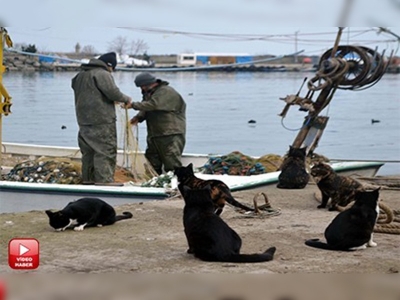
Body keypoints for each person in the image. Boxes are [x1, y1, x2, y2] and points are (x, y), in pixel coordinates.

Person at [72, 52, 132, 183]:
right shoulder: (102, 74)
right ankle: (104, 183)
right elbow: (112, 92)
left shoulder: (80, 75)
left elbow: (90, 92)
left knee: (88, 153)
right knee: (105, 152)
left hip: (84, 121)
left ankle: (88, 182)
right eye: (113, 69)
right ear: (109, 65)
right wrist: (126, 99)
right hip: (102, 121)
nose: (112, 71)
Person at [125, 72, 186, 174]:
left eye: (142, 87)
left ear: (148, 84)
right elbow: (146, 108)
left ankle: (175, 185)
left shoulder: (166, 92)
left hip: (171, 134)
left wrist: (133, 105)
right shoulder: (150, 93)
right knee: (151, 161)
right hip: (155, 134)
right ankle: (153, 182)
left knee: (171, 161)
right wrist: (138, 117)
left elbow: (153, 105)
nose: (141, 90)